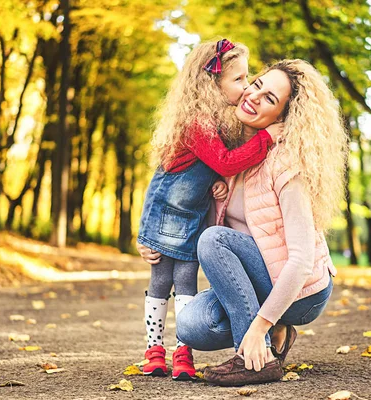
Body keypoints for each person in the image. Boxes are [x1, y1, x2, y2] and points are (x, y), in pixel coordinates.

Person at [173, 59, 349, 386]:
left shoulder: (287, 165)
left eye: (270, 98)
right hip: (256, 280)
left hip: (301, 291)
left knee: (214, 239)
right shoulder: (235, 151)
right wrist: (151, 238)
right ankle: (278, 335)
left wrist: (258, 327)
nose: (254, 95)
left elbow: (300, 260)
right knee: (192, 326)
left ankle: (255, 357)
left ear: (283, 117)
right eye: (257, 84)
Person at [135, 38, 282, 381]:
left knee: (186, 279)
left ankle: (182, 350)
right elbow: (220, 163)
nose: (246, 87)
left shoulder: (216, 122)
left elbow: (214, 165)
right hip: (167, 216)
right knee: (160, 279)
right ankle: (154, 349)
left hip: (195, 215)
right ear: (213, 83)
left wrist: (216, 182)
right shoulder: (198, 121)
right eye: (239, 79)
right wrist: (266, 138)